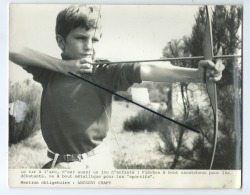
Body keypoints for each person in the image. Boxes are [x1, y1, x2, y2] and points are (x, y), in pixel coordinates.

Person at [9, 5, 224, 169]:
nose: (89, 47)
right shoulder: (49, 72)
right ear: (61, 42)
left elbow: (146, 69)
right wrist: (63, 66)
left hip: (96, 164)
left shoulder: (103, 70)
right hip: (59, 167)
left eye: (94, 40)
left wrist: (196, 75)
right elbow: (11, 47)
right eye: (81, 38)